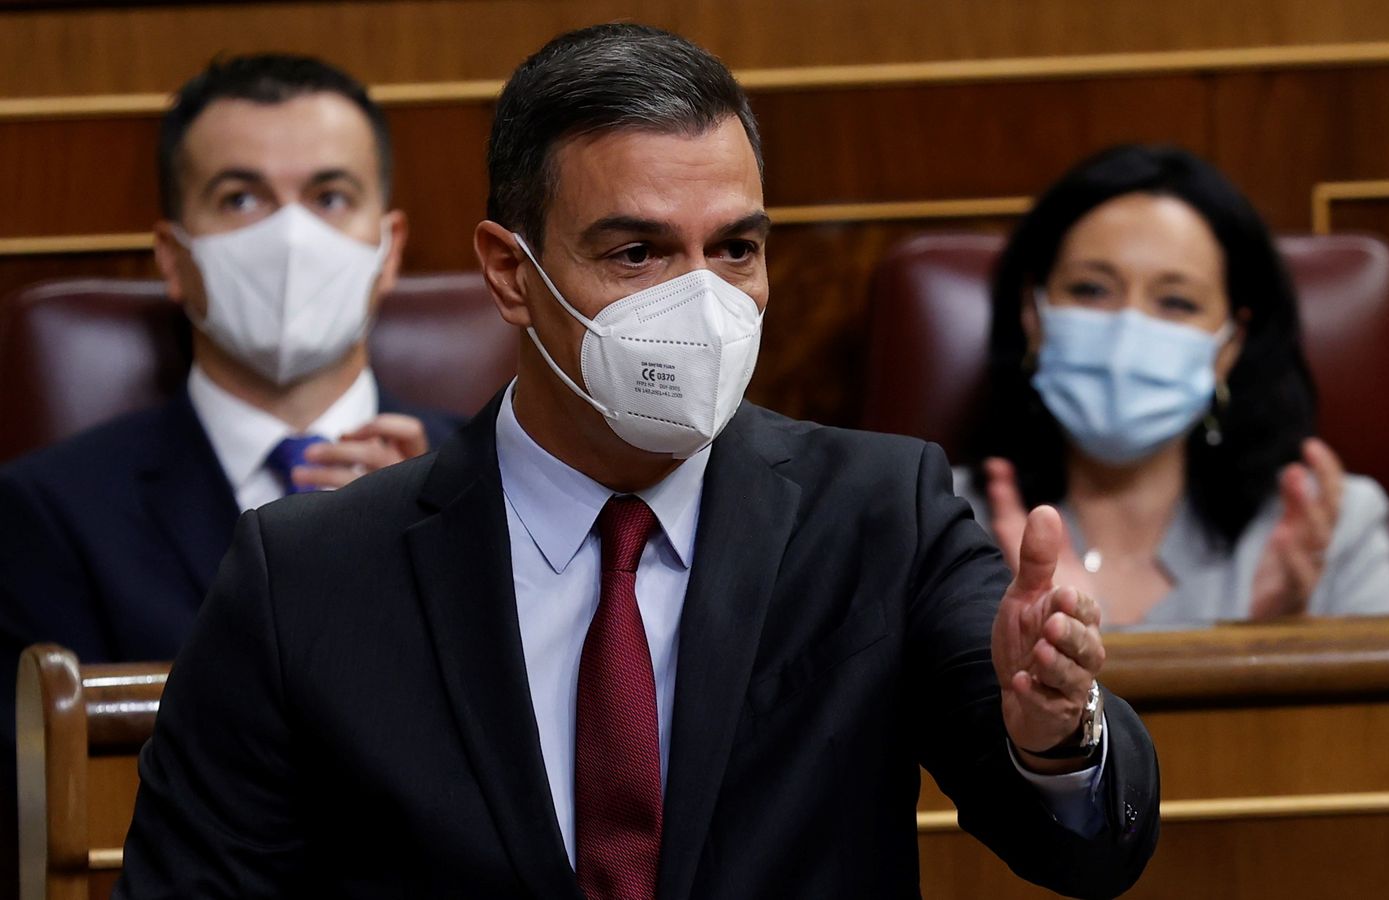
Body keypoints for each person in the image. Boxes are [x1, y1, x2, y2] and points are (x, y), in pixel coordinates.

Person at [115, 25, 1159, 900]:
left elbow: (1085, 849)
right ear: (509, 273)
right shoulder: (307, 576)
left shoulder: (883, 513)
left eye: (735, 249)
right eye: (637, 254)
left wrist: (1054, 735)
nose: (700, 303)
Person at [0, 55, 461, 708]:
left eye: (331, 197)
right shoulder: (48, 516)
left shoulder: (490, 483)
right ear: (173, 256)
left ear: (388, 249)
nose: (290, 237)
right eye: (240, 198)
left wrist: (436, 550)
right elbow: (61, 792)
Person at [967, 144, 1389, 629]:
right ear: (1033, 314)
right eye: (1091, 289)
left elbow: (1386, 708)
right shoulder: (943, 527)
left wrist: (1273, 645)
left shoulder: (1332, 529)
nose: (1126, 335)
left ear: (1229, 345)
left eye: (1176, 302)